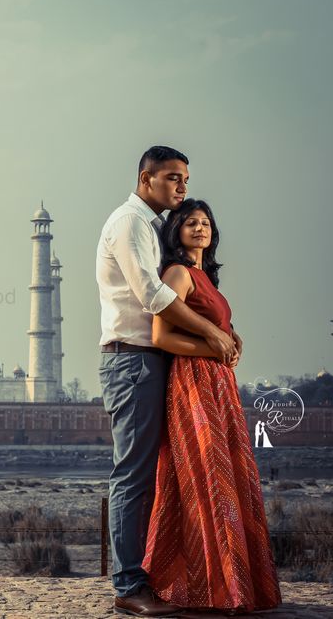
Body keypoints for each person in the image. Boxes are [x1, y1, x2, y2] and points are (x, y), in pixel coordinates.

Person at [96, 146, 239, 617]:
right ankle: (128, 586)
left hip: (152, 362)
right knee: (133, 476)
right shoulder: (130, 223)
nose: (182, 186)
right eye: (173, 177)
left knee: (160, 476)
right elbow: (154, 296)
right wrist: (212, 332)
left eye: (185, 178)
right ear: (146, 178)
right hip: (132, 360)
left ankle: (159, 576)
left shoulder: (154, 226)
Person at [142, 198, 281, 613]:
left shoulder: (205, 277)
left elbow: (218, 329)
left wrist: (232, 340)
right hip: (193, 383)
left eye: (205, 223)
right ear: (177, 230)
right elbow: (161, 337)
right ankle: (211, 587)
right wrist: (211, 345)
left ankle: (231, 585)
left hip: (218, 384)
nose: (200, 228)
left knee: (227, 474)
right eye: (190, 222)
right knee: (207, 476)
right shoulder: (178, 273)